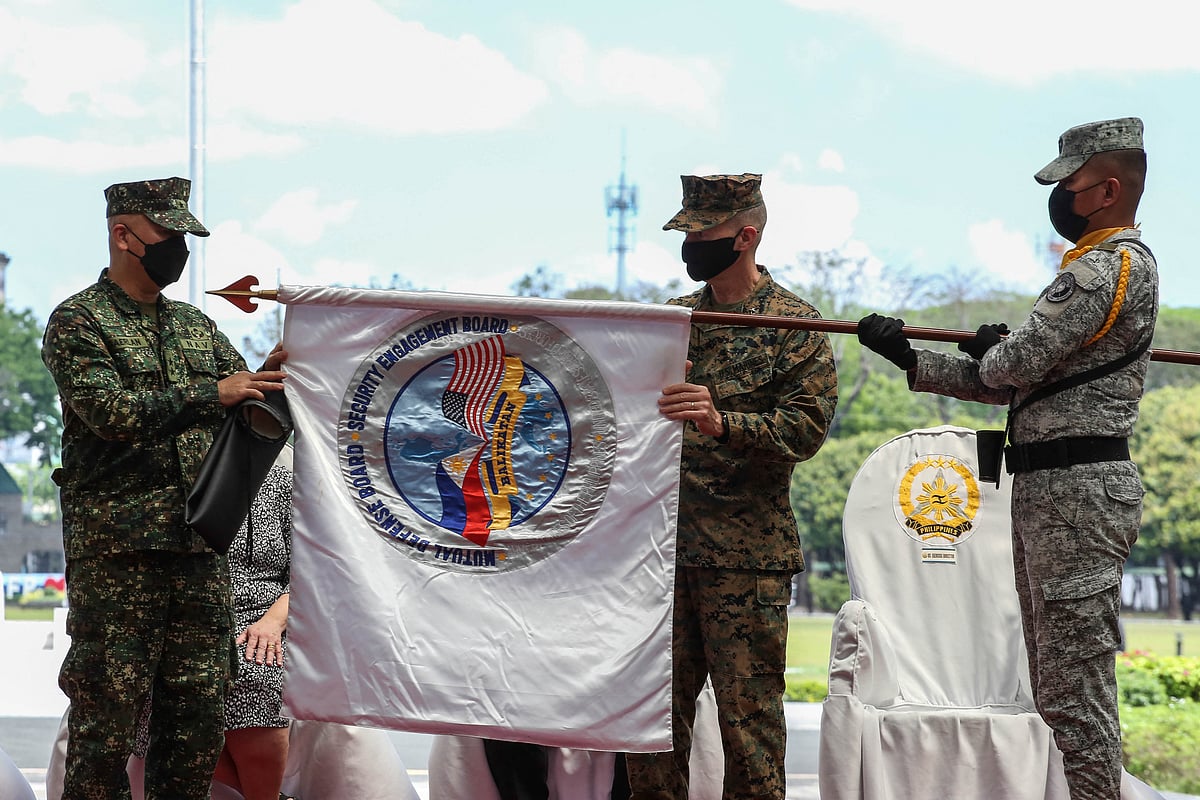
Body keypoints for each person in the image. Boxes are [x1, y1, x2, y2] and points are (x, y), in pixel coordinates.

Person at [857, 117, 1156, 800]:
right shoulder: (1095, 267)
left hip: (1078, 493)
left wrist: (993, 350)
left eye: (1072, 186)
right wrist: (912, 358)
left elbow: (1009, 363)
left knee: (1076, 694)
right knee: (1057, 688)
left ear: (1108, 190)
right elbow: (1009, 381)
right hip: (1055, 487)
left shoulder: (1109, 268)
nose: (1061, 199)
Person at [41, 176, 287, 800]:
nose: (178, 248)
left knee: (196, 723)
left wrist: (281, 372)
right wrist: (214, 392)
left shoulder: (195, 327)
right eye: (168, 234)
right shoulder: (78, 321)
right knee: (107, 723)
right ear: (124, 235)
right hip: (119, 558)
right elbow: (111, 412)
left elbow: (247, 403)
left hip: (200, 554)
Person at [625, 173, 839, 800]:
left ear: (745, 236)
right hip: (661, 556)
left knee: (750, 732)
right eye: (685, 233)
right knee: (652, 727)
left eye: (703, 233)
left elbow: (805, 430)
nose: (690, 246)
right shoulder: (668, 324)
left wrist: (722, 422)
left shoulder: (795, 326)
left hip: (744, 559)